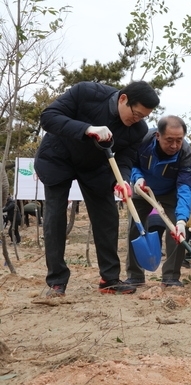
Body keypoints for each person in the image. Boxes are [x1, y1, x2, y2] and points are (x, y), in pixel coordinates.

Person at [34, 80, 160, 297]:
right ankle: (56, 281)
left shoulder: (137, 129)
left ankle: (109, 279)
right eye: (136, 113)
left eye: (143, 117)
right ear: (123, 99)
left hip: (95, 167)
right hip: (58, 157)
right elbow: (48, 117)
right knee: (55, 217)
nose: (138, 120)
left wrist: (122, 180)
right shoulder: (86, 93)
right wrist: (87, 128)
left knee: (107, 217)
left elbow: (126, 157)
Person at [125, 116, 191, 287]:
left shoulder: (186, 154)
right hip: (143, 189)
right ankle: (135, 275)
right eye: (169, 140)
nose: (174, 146)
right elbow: (130, 162)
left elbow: (185, 187)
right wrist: (137, 178)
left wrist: (181, 219)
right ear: (158, 135)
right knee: (135, 228)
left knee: (178, 232)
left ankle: (171, 277)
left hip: (170, 193)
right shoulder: (143, 141)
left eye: (179, 140)